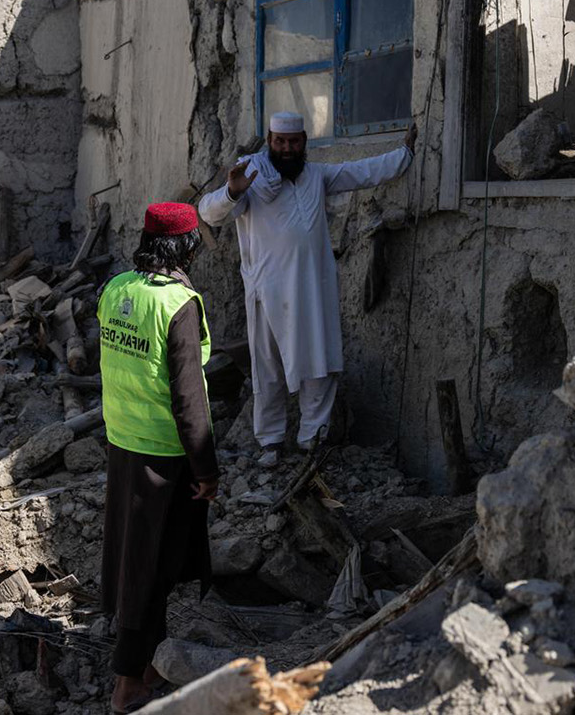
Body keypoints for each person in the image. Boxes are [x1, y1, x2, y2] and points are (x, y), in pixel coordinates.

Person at [198, 111, 417, 468]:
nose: (287, 148)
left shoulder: (316, 176)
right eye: (280, 142)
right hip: (266, 291)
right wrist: (231, 191)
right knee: (267, 367)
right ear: (270, 141)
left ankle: (312, 438)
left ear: (304, 143)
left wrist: (403, 154)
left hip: (312, 289)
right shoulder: (251, 176)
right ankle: (270, 441)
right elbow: (208, 212)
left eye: (294, 142)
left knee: (318, 360)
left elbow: (362, 171)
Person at [99, 202, 218, 714]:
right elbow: (188, 396)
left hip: (122, 443)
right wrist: (206, 468)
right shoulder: (178, 303)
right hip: (163, 456)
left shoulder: (115, 289)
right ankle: (128, 684)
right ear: (186, 246)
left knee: (139, 557)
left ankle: (147, 665)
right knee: (148, 570)